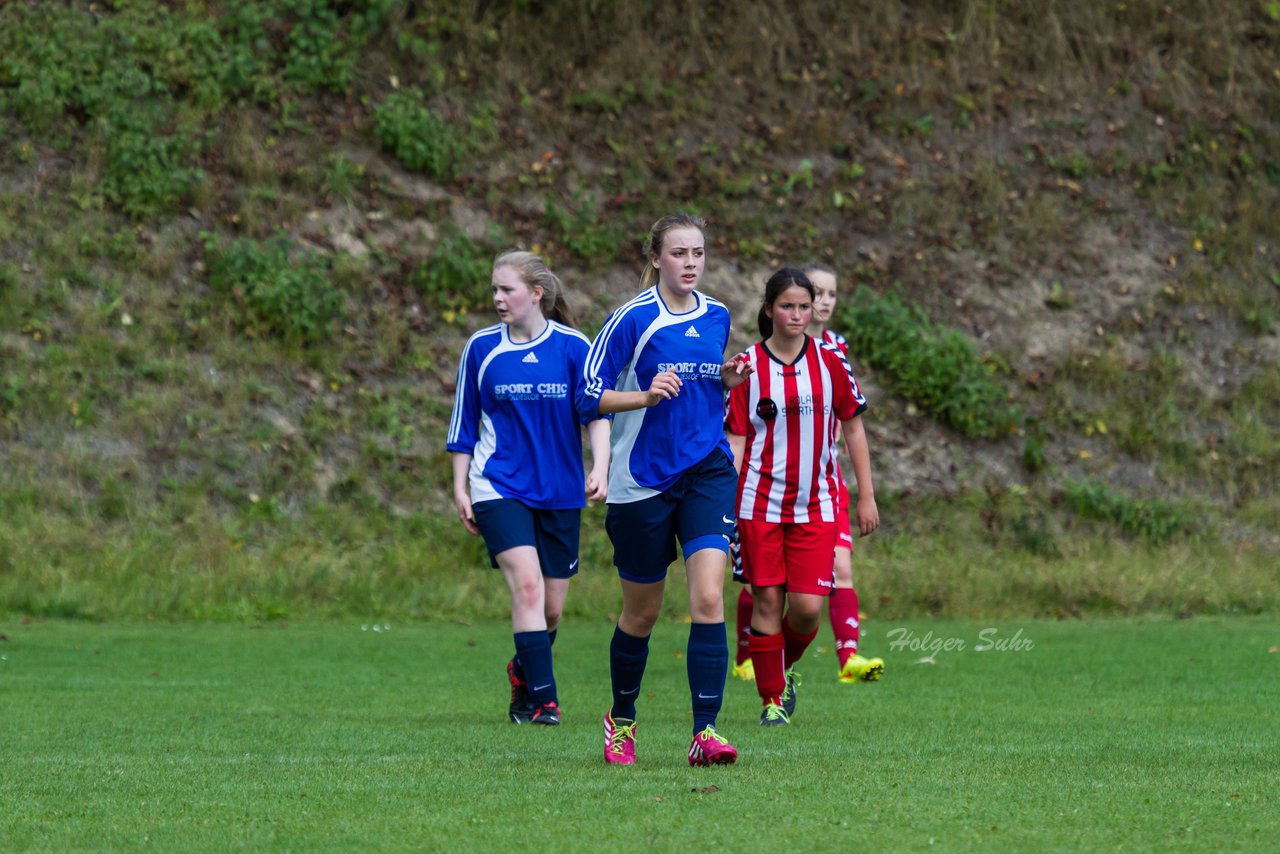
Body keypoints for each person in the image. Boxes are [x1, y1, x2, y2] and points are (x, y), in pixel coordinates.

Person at [582, 212, 753, 766]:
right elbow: (587, 398)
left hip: (706, 467)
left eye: (698, 253)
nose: (691, 264)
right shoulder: (631, 319)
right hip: (641, 480)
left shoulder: (718, 315)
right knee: (643, 613)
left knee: (707, 598)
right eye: (679, 254)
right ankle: (623, 719)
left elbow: (706, 389)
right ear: (656, 258)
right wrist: (645, 396)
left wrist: (724, 379)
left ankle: (706, 734)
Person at [447, 250, 610, 726]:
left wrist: (600, 465)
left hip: (560, 491)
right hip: (498, 486)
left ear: (536, 294)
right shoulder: (481, 348)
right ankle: (544, 701)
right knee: (528, 585)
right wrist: (461, 489)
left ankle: (523, 673)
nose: (497, 298)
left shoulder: (574, 346)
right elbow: (464, 424)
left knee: (552, 609)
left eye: (507, 289)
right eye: (494, 289)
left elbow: (595, 412)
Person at [725, 267, 880, 726]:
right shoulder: (747, 368)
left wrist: (866, 496)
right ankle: (772, 700)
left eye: (804, 306)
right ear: (769, 309)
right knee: (768, 601)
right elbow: (735, 441)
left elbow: (853, 426)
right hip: (758, 503)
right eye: (787, 306)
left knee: (809, 610)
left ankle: (781, 670)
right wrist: (724, 509)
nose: (796, 315)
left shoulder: (830, 362)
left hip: (816, 505)